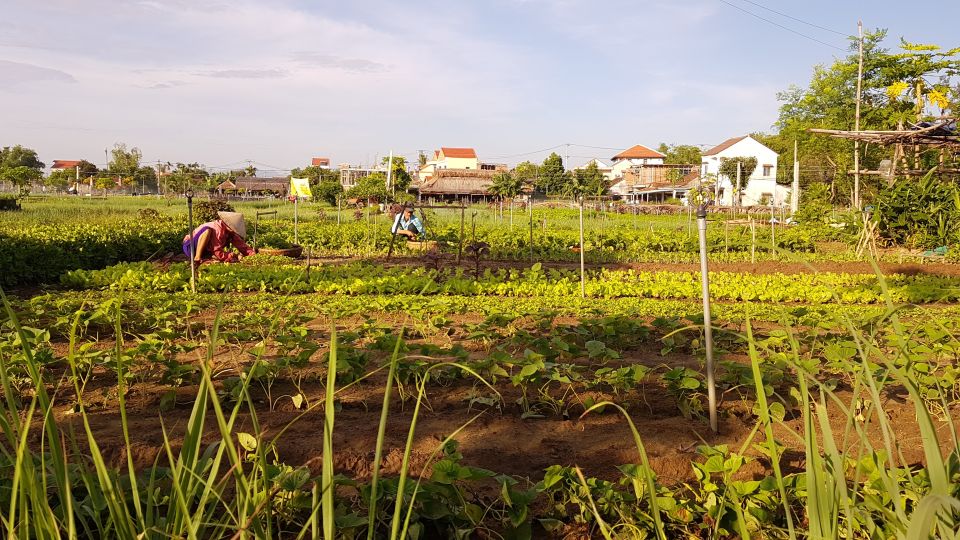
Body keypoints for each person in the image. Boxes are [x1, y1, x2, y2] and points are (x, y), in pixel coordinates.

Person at [182, 211, 255, 263]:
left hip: (205, 251)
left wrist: (252, 255)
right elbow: (217, 251)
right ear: (228, 225)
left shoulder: (230, 232)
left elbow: (242, 246)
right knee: (207, 230)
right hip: (190, 247)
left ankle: (204, 256)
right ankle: (197, 257)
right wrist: (233, 256)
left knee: (217, 257)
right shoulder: (218, 229)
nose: (235, 231)